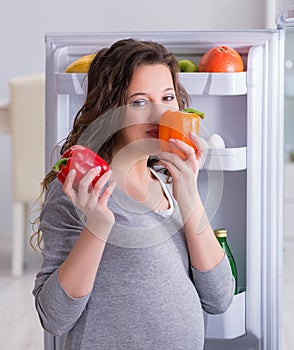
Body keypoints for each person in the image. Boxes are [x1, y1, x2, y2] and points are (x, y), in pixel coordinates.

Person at [32, 38, 234, 350]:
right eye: (139, 102)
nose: (158, 114)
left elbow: (219, 298)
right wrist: (98, 226)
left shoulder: (166, 183)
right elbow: (54, 317)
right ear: (110, 109)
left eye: (167, 97)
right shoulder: (81, 189)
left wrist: (189, 197)